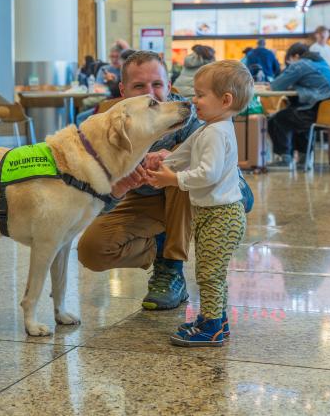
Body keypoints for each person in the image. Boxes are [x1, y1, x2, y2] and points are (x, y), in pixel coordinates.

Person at [77, 50, 203, 310]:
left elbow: (226, 175)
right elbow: (92, 197)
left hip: (187, 202)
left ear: (169, 85)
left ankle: (171, 269)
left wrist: (175, 158)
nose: (150, 93)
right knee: (92, 251)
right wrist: (118, 189)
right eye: (139, 86)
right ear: (122, 90)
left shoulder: (189, 115)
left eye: (157, 84)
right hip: (140, 199)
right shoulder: (107, 124)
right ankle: (160, 247)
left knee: (181, 174)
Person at [145, 60, 252, 347]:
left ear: (225, 100)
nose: (194, 100)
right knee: (211, 271)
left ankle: (212, 327)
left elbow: (208, 174)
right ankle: (215, 318)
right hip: (210, 214)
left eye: (201, 94)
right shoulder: (210, 127)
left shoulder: (217, 132)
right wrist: (166, 159)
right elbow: (187, 152)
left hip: (222, 215)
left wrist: (173, 179)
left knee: (209, 273)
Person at [266, 42, 330, 169]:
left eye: (289, 61)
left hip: (317, 110)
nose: (289, 65)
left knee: (277, 119)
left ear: (296, 56)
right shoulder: (321, 62)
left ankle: (285, 159)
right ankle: (304, 159)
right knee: (295, 116)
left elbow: (275, 86)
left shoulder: (301, 64)